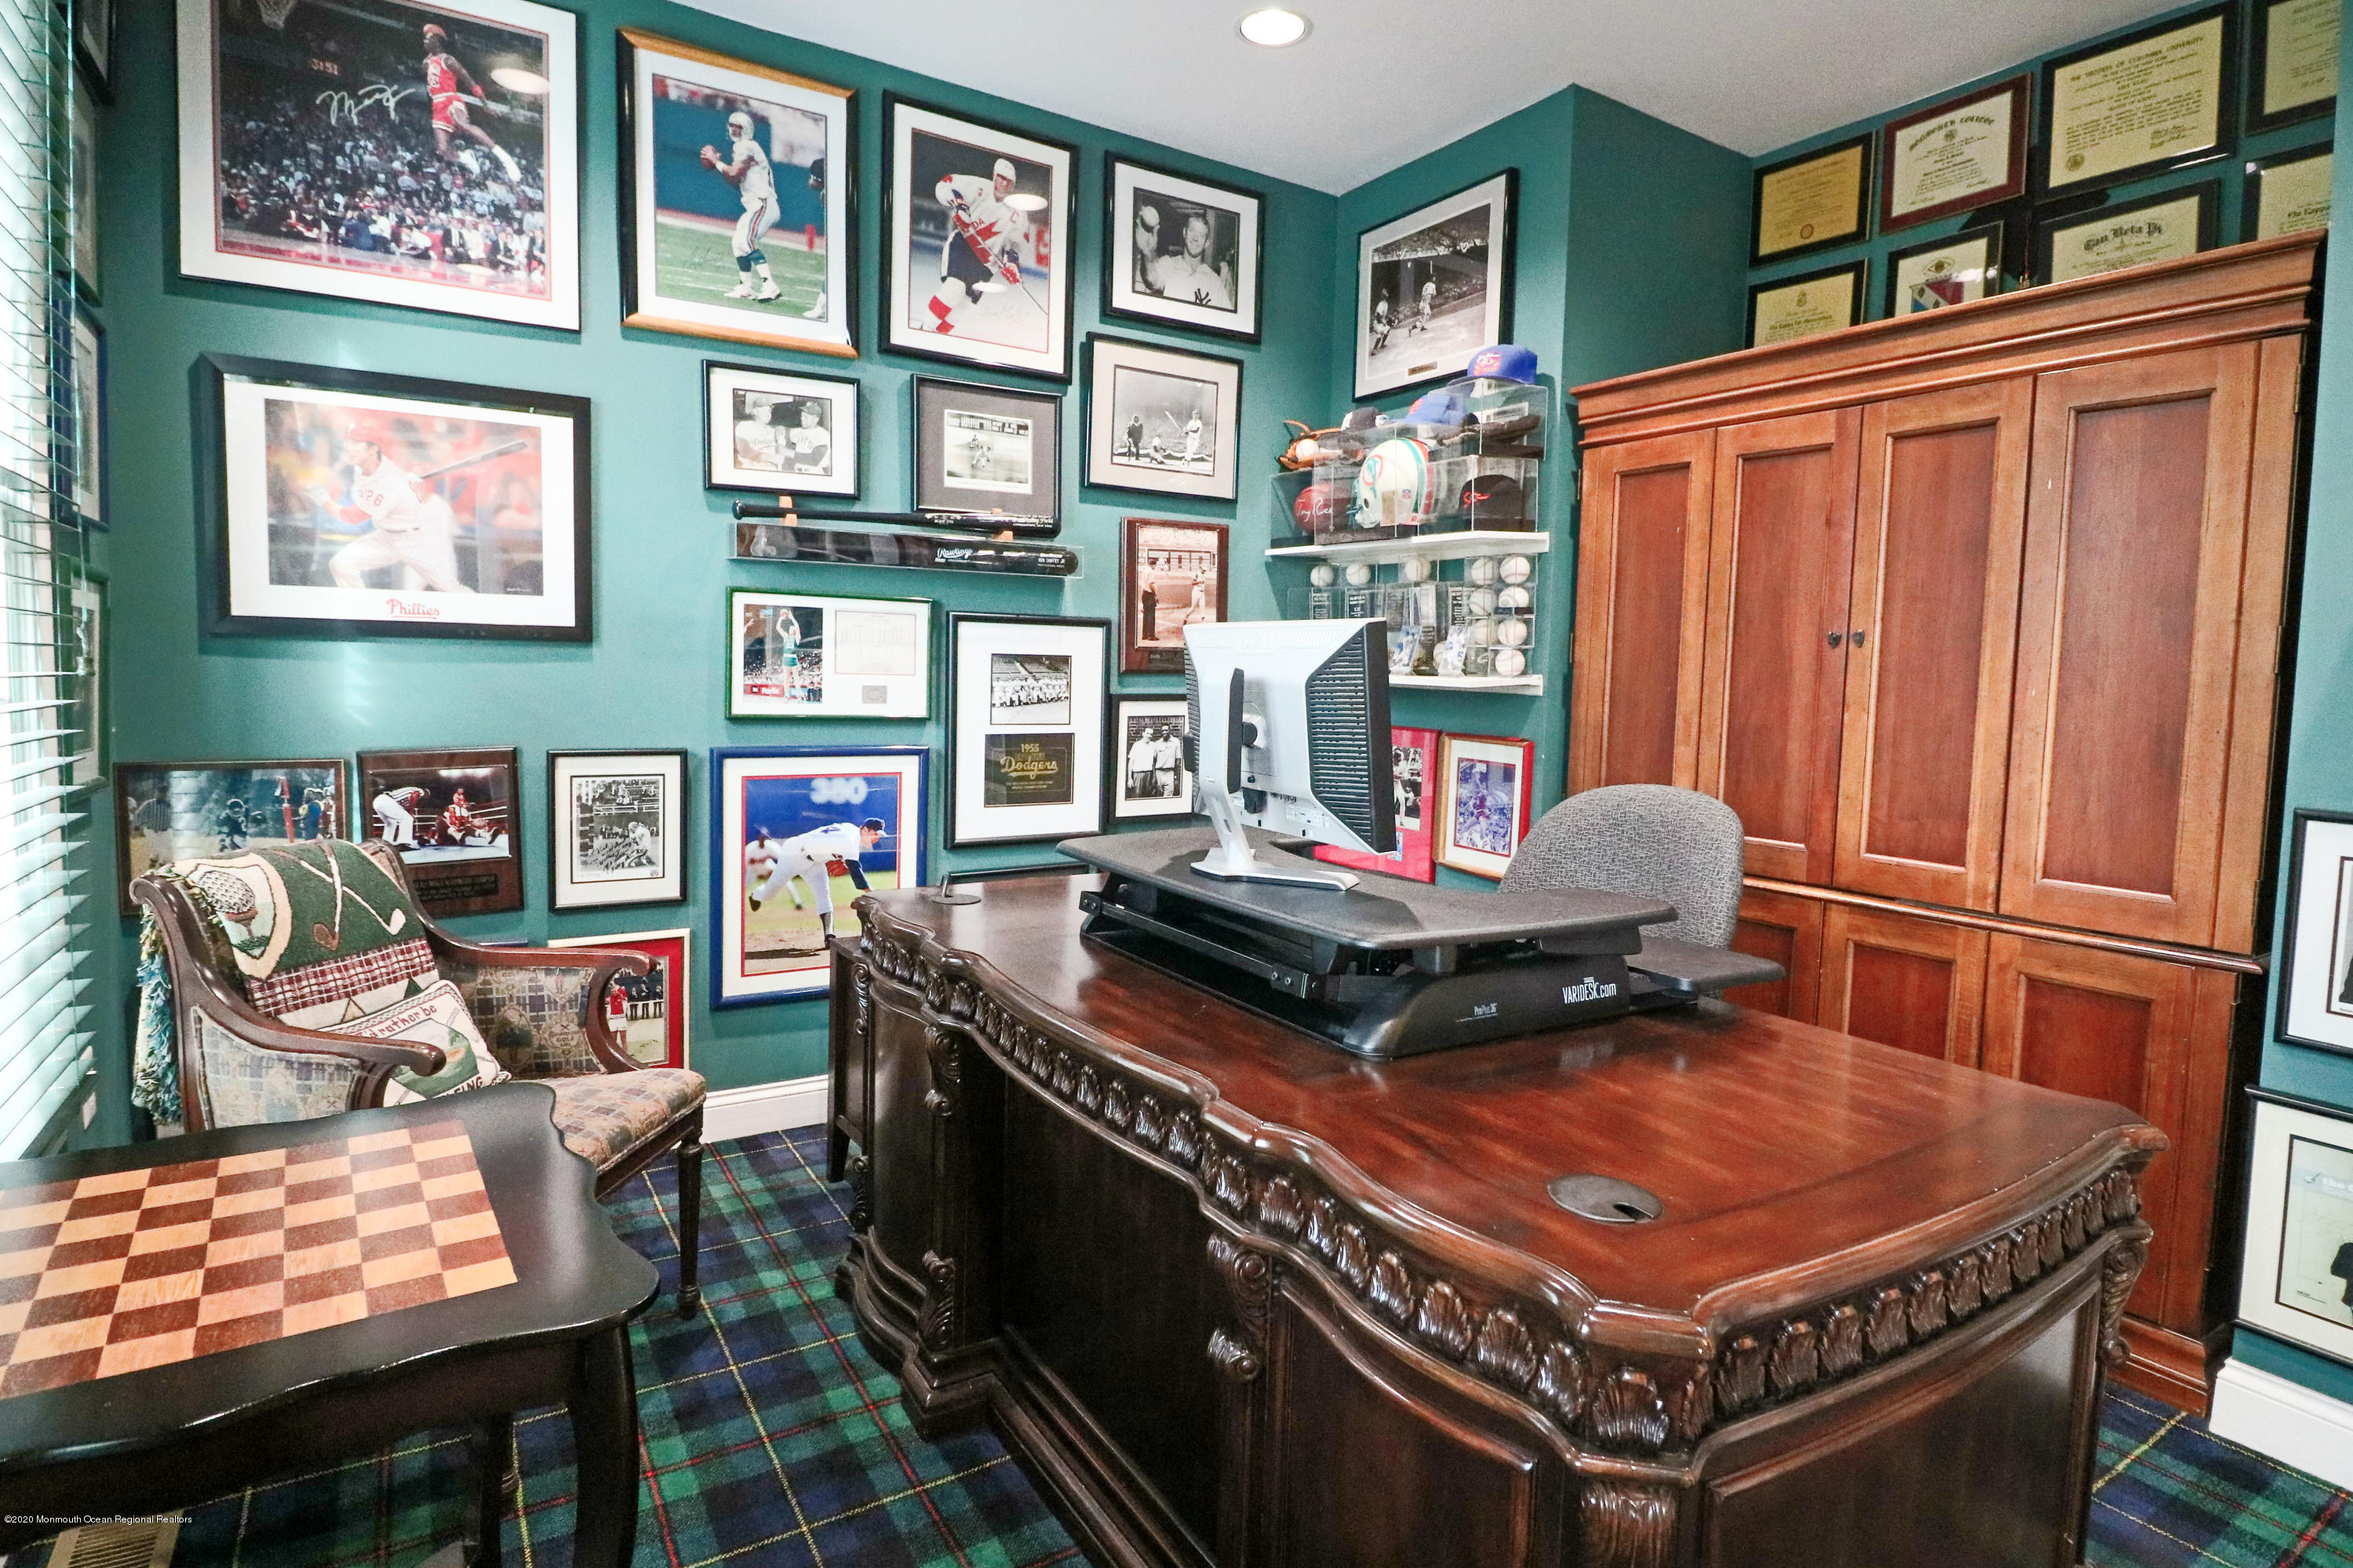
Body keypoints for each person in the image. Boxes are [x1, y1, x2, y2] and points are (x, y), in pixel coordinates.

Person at [318, 421, 470, 595]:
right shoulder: (368, 467)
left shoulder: (415, 466)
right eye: (349, 442)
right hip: (388, 534)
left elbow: (424, 493)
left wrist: (411, 483)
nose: (349, 447)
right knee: (342, 564)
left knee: (448, 588)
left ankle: (475, 608)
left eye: (355, 443)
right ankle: (360, 607)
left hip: (418, 532)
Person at [924, 157, 1028, 335]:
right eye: (1001, 178)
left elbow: (1016, 244)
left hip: (986, 265)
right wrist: (959, 205)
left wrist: (1011, 263)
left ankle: (938, 338)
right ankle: (924, 330)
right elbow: (944, 185)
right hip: (964, 246)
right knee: (955, 290)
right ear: (994, 176)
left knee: (962, 307)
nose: (1003, 183)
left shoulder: (1019, 213)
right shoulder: (979, 187)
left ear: (1013, 184)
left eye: (1008, 181)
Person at [747, 817, 886, 938]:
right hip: (793, 854)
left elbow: (830, 842)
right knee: (768, 895)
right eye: (875, 834)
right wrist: (872, 893)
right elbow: (856, 873)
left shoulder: (850, 828)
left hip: (814, 861)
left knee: (823, 893)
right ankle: (756, 895)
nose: (877, 838)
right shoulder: (851, 841)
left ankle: (829, 935)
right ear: (865, 829)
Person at [701, 108, 782, 303]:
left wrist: (716, 162)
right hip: (756, 205)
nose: (734, 130)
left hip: (763, 202)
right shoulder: (744, 148)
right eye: (732, 126)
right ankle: (746, 287)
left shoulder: (747, 146)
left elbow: (733, 173)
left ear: (747, 129)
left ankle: (770, 286)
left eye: (739, 127)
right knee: (738, 243)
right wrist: (719, 165)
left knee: (747, 241)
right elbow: (734, 180)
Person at [421, 24, 520, 181]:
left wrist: (485, 104)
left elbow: (469, 81)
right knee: (442, 150)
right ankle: (465, 158)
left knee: (463, 125)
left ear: (437, 41)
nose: (425, 41)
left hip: (450, 99)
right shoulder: (427, 63)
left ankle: (504, 157)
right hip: (437, 104)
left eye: (428, 39)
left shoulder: (448, 60)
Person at [1133, 206, 1233, 310]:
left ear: (1207, 243)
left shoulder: (1214, 281)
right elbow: (1152, 280)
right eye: (1192, 230)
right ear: (1184, 233)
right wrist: (1148, 252)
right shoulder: (1169, 264)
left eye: (1201, 235)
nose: (1195, 238)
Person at [374, 784, 428, 849]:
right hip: (387, 801)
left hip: (378, 801)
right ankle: (403, 844)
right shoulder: (420, 791)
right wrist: (411, 813)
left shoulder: (406, 796)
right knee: (407, 818)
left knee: (391, 822)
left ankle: (386, 844)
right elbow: (414, 796)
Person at [785, 401, 832, 475]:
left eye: (806, 417)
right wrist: (779, 430)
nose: (802, 418)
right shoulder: (799, 431)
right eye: (802, 415)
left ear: (816, 419)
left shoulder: (823, 434)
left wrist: (787, 452)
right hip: (797, 472)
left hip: (814, 473)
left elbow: (814, 460)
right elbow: (784, 431)